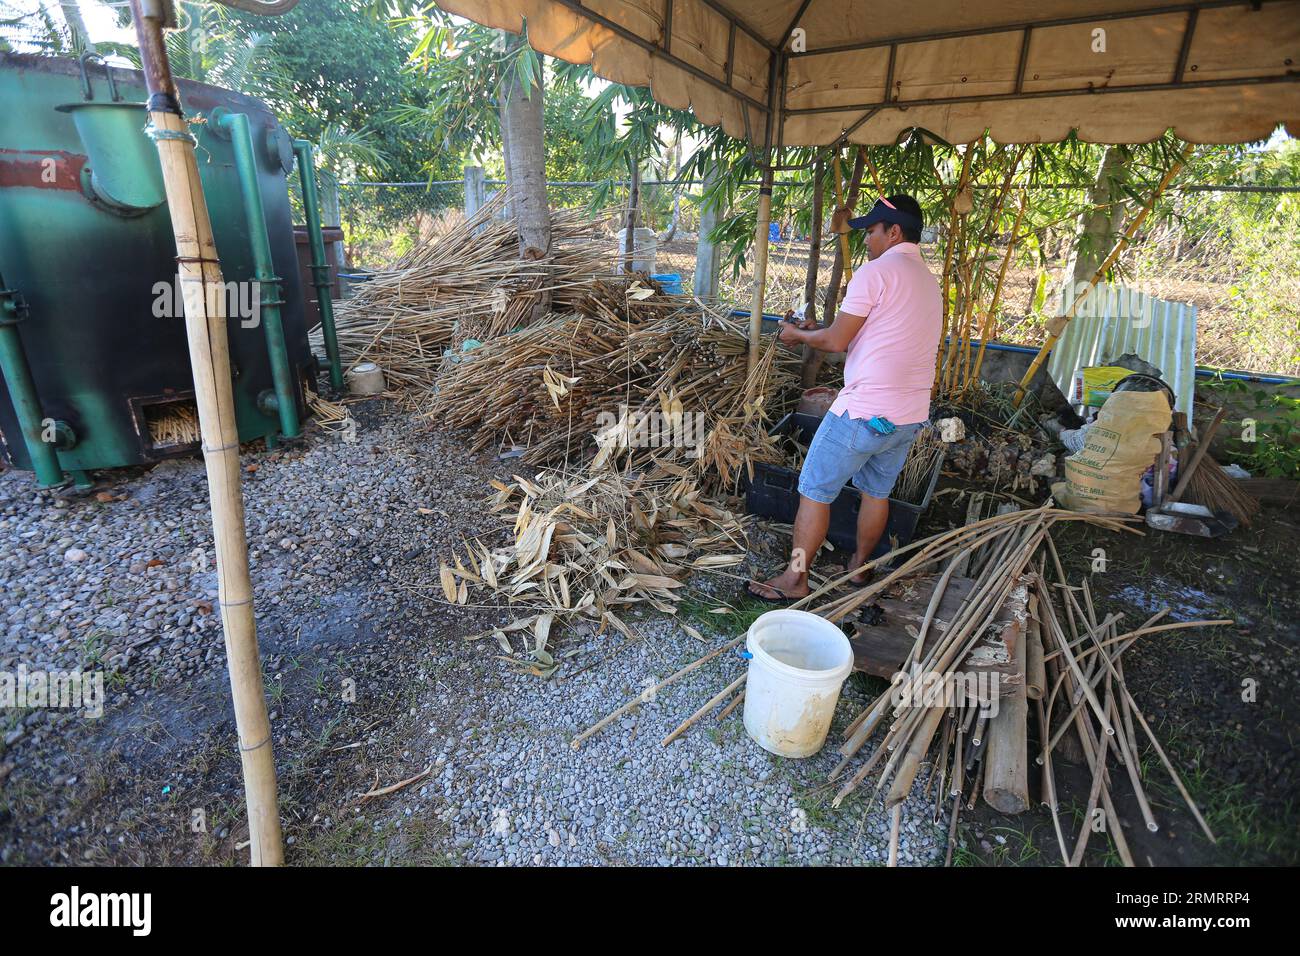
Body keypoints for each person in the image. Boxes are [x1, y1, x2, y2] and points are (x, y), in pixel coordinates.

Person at [748, 194, 942, 602]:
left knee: (813, 490)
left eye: (871, 231)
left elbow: (836, 341)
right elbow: (874, 334)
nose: (867, 239)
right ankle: (858, 568)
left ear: (894, 231)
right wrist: (815, 329)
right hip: (907, 415)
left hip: (862, 411)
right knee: (876, 493)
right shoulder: (928, 281)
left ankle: (796, 578)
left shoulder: (876, 273)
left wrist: (798, 335)